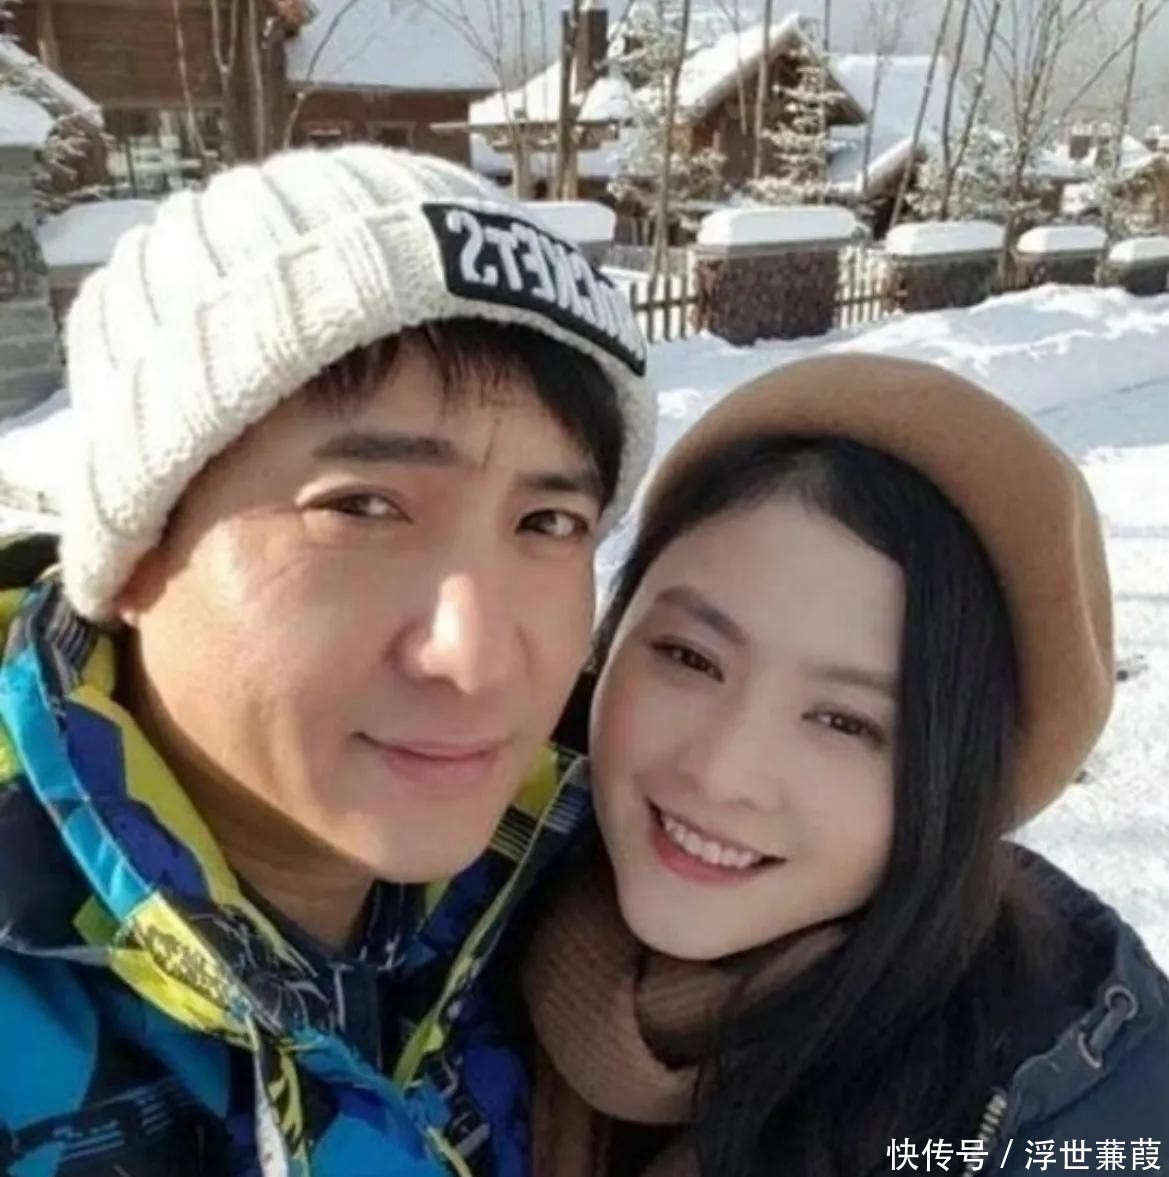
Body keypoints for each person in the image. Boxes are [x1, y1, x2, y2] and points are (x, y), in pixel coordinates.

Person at [0, 145, 655, 1176]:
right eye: (363, 507)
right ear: (132, 553)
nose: (476, 656)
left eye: (547, 521)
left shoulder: (608, 878)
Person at [522, 355, 1169, 1177]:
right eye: (689, 656)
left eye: (843, 721)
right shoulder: (454, 907)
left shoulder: (1067, 1124)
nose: (721, 773)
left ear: (956, 783)